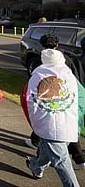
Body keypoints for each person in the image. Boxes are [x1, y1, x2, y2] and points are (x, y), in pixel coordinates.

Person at [23, 34, 85, 170]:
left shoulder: (42, 62)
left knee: (63, 133)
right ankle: (38, 163)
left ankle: (79, 159)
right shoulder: (67, 59)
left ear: (42, 45)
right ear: (57, 45)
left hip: (57, 103)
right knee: (53, 134)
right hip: (65, 100)